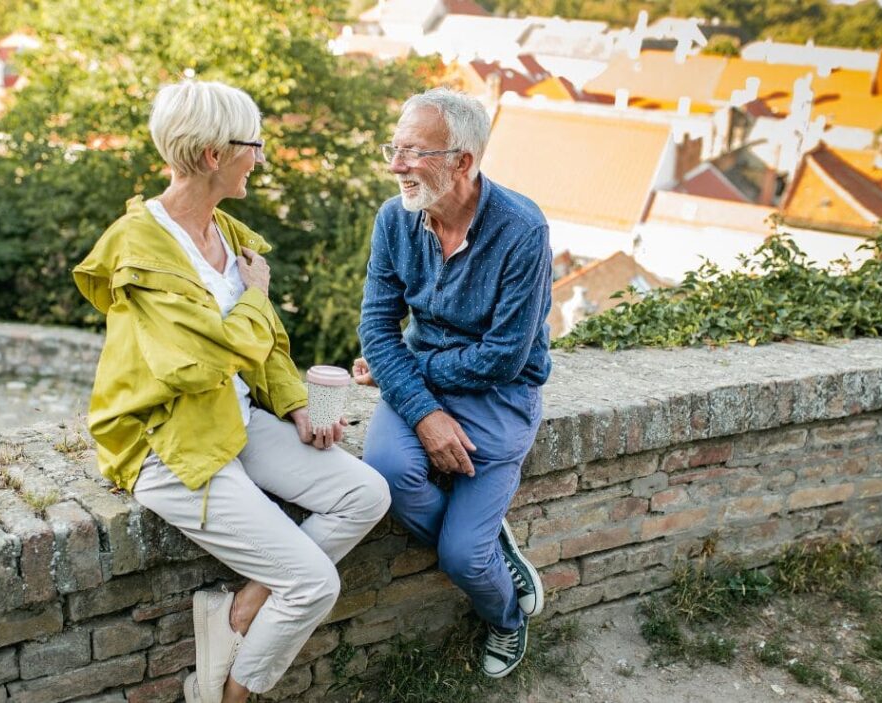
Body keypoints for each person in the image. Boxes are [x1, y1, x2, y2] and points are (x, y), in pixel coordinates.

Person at [73, 79, 390, 703]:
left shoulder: (230, 235)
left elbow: (264, 342)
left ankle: (243, 606)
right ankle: (225, 695)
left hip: (232, 420)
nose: (262, 157)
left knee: (366, 493)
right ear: (215, 155)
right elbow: (197, 363)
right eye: (255, 144)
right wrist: (255, 296)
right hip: (168, 441)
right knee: (314, 584)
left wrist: (295, 405)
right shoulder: (141, 248)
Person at [354, 88, 552, 678]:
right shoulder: (395, 219)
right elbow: (376, 326)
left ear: (462, 161)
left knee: (463, 557)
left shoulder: (522, 229)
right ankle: (495, 546)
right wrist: (420, 408)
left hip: (498, 395)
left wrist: (405, 376)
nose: (395, 165)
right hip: (417, 385)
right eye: (395, 148)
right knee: (388, 473)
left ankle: (506, 617)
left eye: (413, 152)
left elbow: (503, 357)